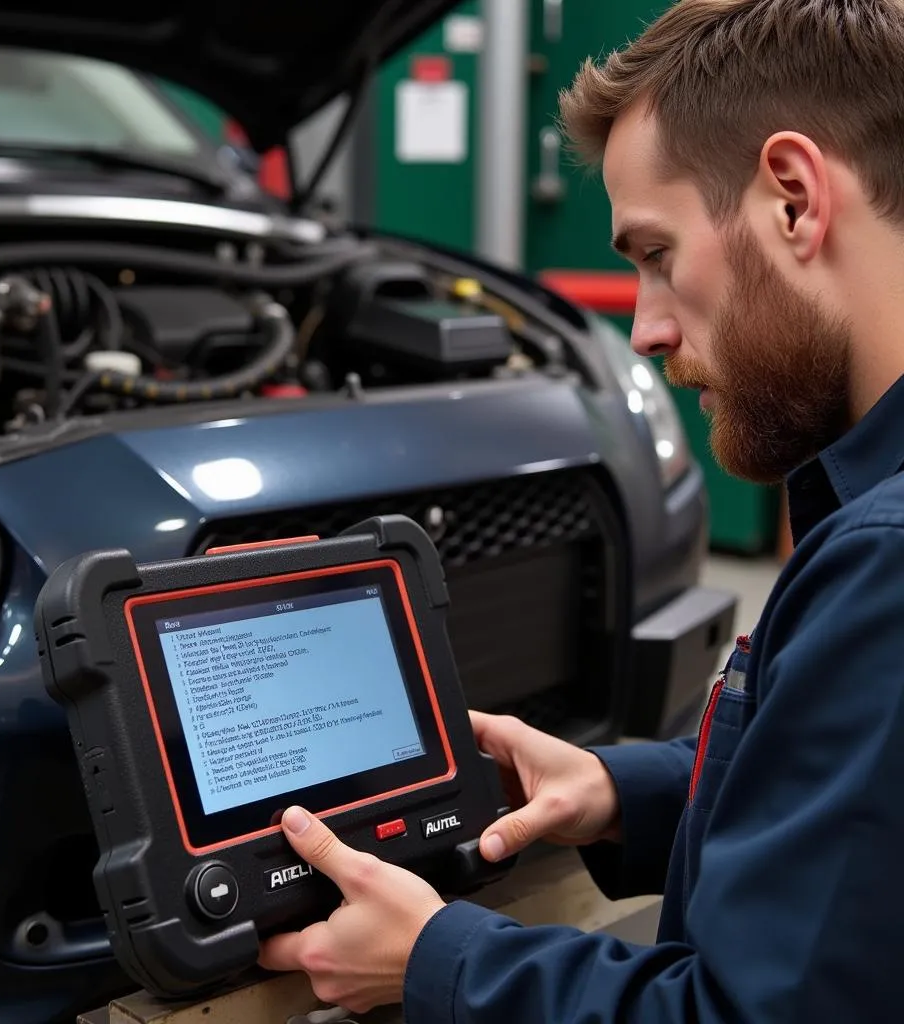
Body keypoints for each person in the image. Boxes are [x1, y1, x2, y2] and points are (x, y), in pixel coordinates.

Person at [258, 0, 904, 1018]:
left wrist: (434, 957)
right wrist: (625, 792)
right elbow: (860, 807)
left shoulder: (886, 561)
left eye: (654, 253)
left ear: (792, 197)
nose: (644, 329)